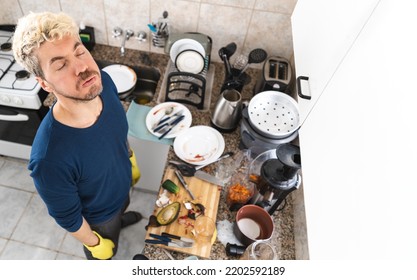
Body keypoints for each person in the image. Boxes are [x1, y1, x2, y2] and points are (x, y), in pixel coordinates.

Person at [12, 11, 142, 260]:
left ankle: (121, 218)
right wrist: (94, 243)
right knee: (106, 249)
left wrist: (130, 159)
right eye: (61, 64)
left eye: (80, 51)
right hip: (98, 220)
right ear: (45, 84)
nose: (82, 67)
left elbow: (115, 134)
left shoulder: (102, 83)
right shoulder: (49, 157)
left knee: (122, 208)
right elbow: (67, 217)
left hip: (121, 188)